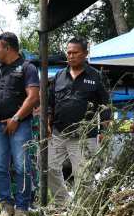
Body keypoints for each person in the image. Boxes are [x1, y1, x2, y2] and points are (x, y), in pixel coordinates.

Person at [47, 37, 111, 207]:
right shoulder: (59, 76)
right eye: (68, 52)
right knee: (50, 168)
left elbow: (106, 106)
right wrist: (47, 122)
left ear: (85, 54)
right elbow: (50, 103)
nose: (71, 56)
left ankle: (84, 209)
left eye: (75, 53)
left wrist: (104, 131)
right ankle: (62, 202)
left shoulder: (96, 76)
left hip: (84, 136)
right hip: (59, 132)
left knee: (83, 175)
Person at [0, 32, 41, 216]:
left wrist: (16, 119)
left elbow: (34, 97)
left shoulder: (28, 68)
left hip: (20, 125)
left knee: (22, 167)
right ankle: (6, 206)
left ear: (8, 48)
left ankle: (22, 208)